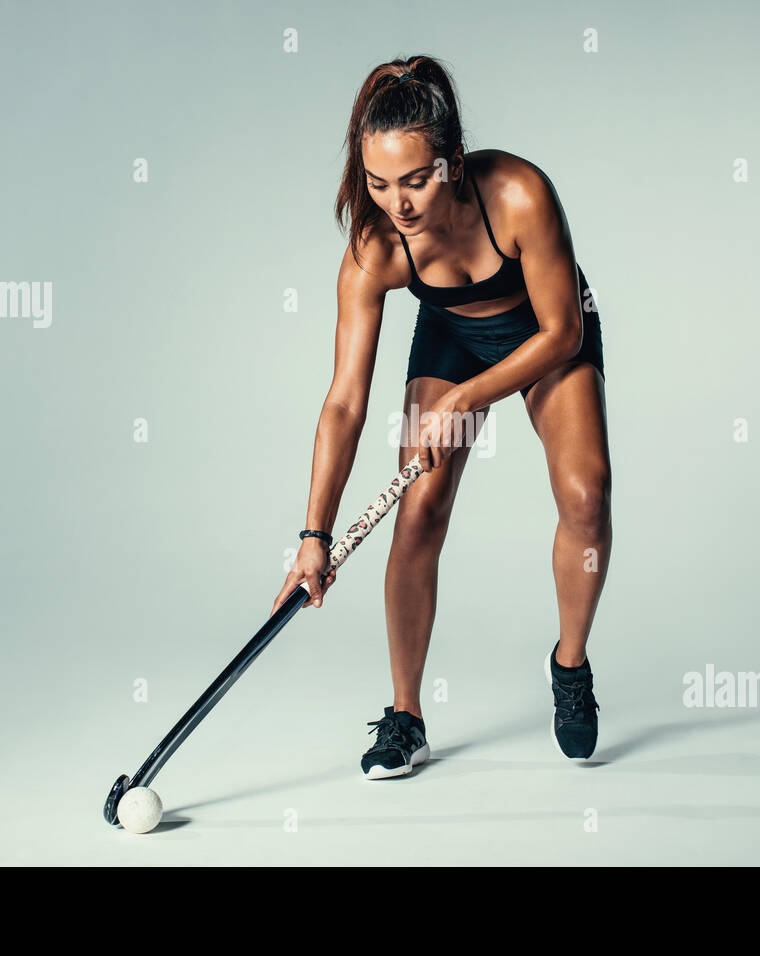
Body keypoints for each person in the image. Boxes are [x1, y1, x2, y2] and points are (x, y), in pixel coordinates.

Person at [270, 55, 612, 777]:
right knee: (418, 512)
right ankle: (406, 716)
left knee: (586, 498)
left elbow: (563, 335)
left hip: (544, 333)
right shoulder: (377, 248)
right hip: (454, 338)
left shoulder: (519, 194)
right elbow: (344, 401)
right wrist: (313, 536)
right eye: (378, 182)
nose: (398, 203)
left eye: (416, 179)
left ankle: (570, 665)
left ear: (454, 162)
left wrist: (465, 400)